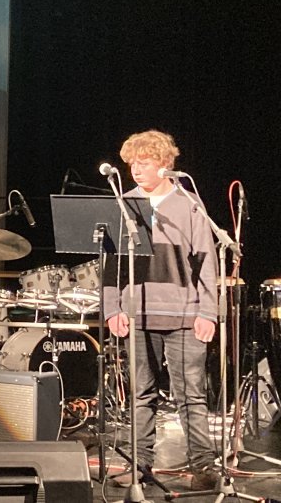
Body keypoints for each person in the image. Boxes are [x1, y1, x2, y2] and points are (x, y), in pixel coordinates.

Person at [102, 130, 219, 491]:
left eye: (145, 162)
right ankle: (139, 465)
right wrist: (111, 308)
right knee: (141, 394)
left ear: (165, 164)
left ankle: (203, 468)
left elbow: (207, 263)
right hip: (137, 314)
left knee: (191, 395)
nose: (136, 170)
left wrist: (208, 312)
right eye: (132, 163)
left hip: (184, 315)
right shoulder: (123, 204)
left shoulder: (190, 205)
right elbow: (110, 266)